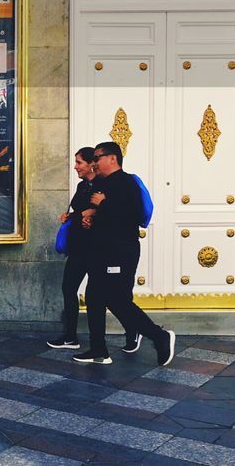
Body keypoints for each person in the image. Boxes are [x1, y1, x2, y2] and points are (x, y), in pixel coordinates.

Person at [74, 141, 175, 366]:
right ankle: (99, 349)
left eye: (98, 157)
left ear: (112, 158)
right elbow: (105, 214)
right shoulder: (101, 182)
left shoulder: (125, 182)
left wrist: (104, 203)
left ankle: (159, 336)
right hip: (100, 251)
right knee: (94, 297)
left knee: (117, 300)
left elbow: (134, 216)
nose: (95, 162)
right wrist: (91, 214)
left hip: (120, 251)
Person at [48, 147, 142, 354]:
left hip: (100, 248)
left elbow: (120, 213)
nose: (75, 167)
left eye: (79, 162)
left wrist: (95, 211)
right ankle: (72, 337)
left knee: (109, 295)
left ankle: (134, 331)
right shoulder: (83, 187)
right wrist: (71, 217)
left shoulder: (108, 184)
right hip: (79, 247)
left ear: (93, 163)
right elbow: (82, 209)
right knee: (70, 288)